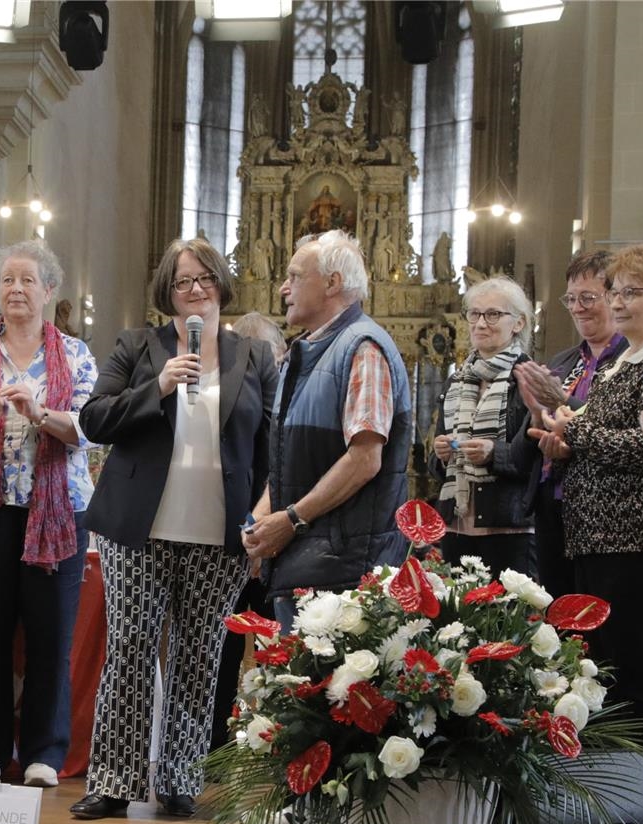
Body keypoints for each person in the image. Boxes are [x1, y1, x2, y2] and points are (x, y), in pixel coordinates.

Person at [72, 238, 277, 820]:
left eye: (205, 278)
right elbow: (93, 418)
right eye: (184, 280)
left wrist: (261, 518)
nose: (195, 290)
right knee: (131, 649)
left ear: (221, 285)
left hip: (219, 532)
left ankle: (181, 778)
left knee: (200, 654)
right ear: (168, 289)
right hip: (139, 528)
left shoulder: (252, 357)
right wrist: (157, 386)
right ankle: (114, 779)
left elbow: (270, 449)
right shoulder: (138, 346)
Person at [532, 241, 643, 764]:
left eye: (633, 292)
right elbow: (606, 437)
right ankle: (616, 791)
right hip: (595, 540)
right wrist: (564, 436)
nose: (619, 302)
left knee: (642, 677)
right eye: (617, 291)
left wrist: (576, 430)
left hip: (641, 542)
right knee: (604, 674)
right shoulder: (624, 362)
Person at [0, 240, 97, 787]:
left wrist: (41, 412)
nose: (16, 290)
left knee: (52, 635)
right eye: (7, 281)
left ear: (49, 290)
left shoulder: (75, 355)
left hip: (59, 511)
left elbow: (88, 430)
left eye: (28, 280)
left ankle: (44, 755)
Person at [245, 229, 411, 626]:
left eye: (295, 276)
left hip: (344, 572)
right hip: (310, 564)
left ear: (333, 283)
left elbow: (365, 459)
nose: (283, 287)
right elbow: (288, 460)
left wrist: (291, 520)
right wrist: (257, 527)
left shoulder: (362, 348)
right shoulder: (306, 351)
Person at [514, 250, 627, 597]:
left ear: (615, 297)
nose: (578, 307)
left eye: (588, 297)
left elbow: (618, 431)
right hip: (553, 508)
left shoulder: (631, 360)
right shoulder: (563, 362)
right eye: (572, 299)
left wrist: (562, 403)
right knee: (560, 623)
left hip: (607, 518)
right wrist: (536, 418)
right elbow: (521, 456)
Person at [210, 312, 287, 755]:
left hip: (276, 539)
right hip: (224, 542)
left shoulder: (287, 401)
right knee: (218, 650)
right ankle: (214, 742)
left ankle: (274, 741)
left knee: (277, 648)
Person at [430, 274, 539, 576]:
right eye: (474, 314)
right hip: (457, 522)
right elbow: (436, 468)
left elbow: (540, 460)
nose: (480, 323)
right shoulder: (458, 380)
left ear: (518, 323)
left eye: (493, 315)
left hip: (510, 527)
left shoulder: (529, 378)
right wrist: (441, 454)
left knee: (508, 621)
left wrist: (494, 453)